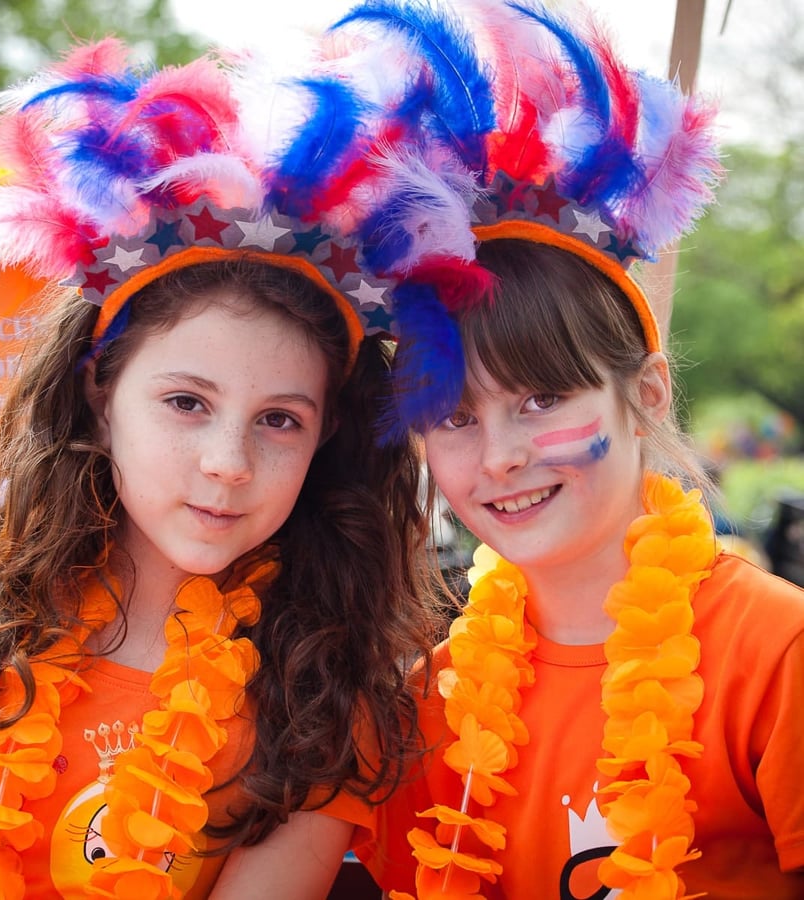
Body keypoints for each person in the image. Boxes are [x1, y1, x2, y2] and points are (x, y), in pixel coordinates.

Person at [0, 38, 439, 899]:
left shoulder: (329, 708)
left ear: (326, 438)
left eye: (278, 421)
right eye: (186, 403)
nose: (227, 464)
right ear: (98, 395)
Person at [312, 1, 804, 896]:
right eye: (456, 418)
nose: (499, 455)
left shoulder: (777, 655)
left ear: (646, 394)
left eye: (542, 398)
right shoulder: (431, 701)